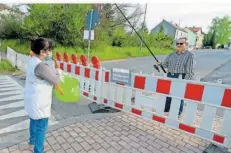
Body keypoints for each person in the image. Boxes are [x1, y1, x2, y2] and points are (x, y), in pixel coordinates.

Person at [24, 37, 61, 153]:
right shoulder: (41, 66)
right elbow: (56, 80)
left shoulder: (32, 60)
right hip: (40, 102)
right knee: (41, 126)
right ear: (42, 51)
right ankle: (38, 150)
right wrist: (58, 68)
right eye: (49, 50)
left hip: (32, 98)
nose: (50, 52)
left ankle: (31, 142)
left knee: (34, 120)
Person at [157, 37, 195, 117]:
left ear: (186, 45)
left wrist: (185, 82)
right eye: (177, 43)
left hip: (181, 77)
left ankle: (177, 113)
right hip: (170, 75)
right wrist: (160, 63)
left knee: (179, 95)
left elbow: (190, 71)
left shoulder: (190, 55)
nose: (179, 45)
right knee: (168, 93)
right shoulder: (172, 54)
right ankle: (166, 110)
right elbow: (166, 64)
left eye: (181, 43)